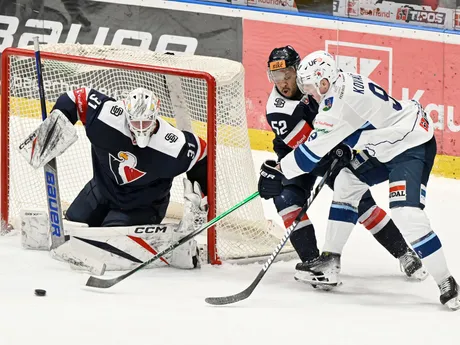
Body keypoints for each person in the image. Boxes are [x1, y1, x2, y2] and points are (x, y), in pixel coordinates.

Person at [258, 50, 459, 310]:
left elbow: (309, 157)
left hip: (410, 145)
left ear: (323, 81)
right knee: (346, 182)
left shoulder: (336, 107)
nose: (307, 92)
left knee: (407, 214)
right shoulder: (342, 80)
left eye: (309, 85)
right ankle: (330, 261)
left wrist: (279, 171)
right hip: (384, 145)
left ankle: (446, 281)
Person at [18, 87, 208, 270]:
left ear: (156, 116)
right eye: (135, 122)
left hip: (142, 205)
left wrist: (201, 197)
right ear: (126, 113)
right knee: (71, 225)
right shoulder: (106, 118)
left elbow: (202, 153)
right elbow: (76, 98)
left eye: (146, 123)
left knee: (110, 243)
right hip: (101, 191)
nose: (140, 129)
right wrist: (56, 122)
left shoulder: (173, 146)